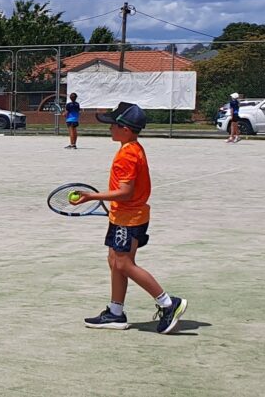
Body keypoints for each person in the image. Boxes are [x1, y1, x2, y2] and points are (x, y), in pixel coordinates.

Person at [72, 101, 187, 334]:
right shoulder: (132, 147)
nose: (109, 128)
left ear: (125, 129)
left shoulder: (127, 155)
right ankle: (115, 313)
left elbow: (126, 192)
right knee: (114, 261)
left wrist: (92, 196)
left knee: (124, 263)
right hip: (125, 215)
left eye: (113, 124)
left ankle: (168, 303)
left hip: (129, 217)